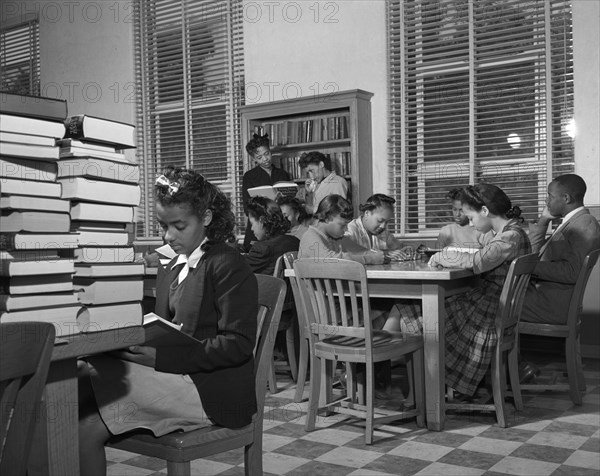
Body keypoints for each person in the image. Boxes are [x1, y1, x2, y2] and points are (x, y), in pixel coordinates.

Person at [78, 167, 258, 476]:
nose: (167, 236)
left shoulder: (228, 263)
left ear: (206, 218)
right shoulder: (172, 260)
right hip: (174, 372)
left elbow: (238, 345)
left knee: (84, 425)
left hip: (211, 389)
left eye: (179, 225)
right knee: (77, 382)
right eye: (163, 225)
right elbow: (165, 323)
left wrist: (161, 357)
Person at [383, 183, 531, 397]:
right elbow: (486, 252)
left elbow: (479, 260)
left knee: (410, 312)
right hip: (493, 305)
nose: (470, 222)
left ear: (485, 211)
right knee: (408, 308)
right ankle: (408, 381)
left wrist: (444, 255)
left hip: (487, 311)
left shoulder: (511, 237)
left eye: (471, 217)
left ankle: (414, 389)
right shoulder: (510, 232)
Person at [521, 174, 600, 325]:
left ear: (566, 198)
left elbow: (572, 272)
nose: (546, 201)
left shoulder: (584, 224)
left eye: (550, 196)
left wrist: (529, 267)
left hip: (550, 306)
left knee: (489, 301)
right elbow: (533, 254)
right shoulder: (572, 221)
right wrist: (543, 221)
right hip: (543, 298)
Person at [299, 194, 385, 265]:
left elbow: (359, 251)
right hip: (315, 286)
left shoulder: (335, 237)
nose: (346, 229)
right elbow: (333, 260)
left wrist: (377, 255)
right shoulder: (310, 237)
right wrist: (369, 259)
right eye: (343, 225)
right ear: (327, 218)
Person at [242, 133, 291, 251]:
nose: (265, 159)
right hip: (258, 224)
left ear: (270, 151)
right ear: (254, 159)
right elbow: (246, 206)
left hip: (279, 225)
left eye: (267, 154)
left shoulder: (282, 174)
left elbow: (291, 202)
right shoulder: (249, 176)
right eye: (259, 157)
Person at [345, 193, 414, 260]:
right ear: (367, 213)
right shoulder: (350, 230)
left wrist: (408, 250)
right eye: (380, 221)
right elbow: (345, 252)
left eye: (386, 222)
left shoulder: (383, 233)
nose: (383, 226)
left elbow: (400, 247)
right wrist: (386, 254)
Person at [245, 196, 300, 275]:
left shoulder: (263, 249)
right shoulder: (295, 241)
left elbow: (237, 268)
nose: (252, 229)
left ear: (261, 221)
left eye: (252, 224)